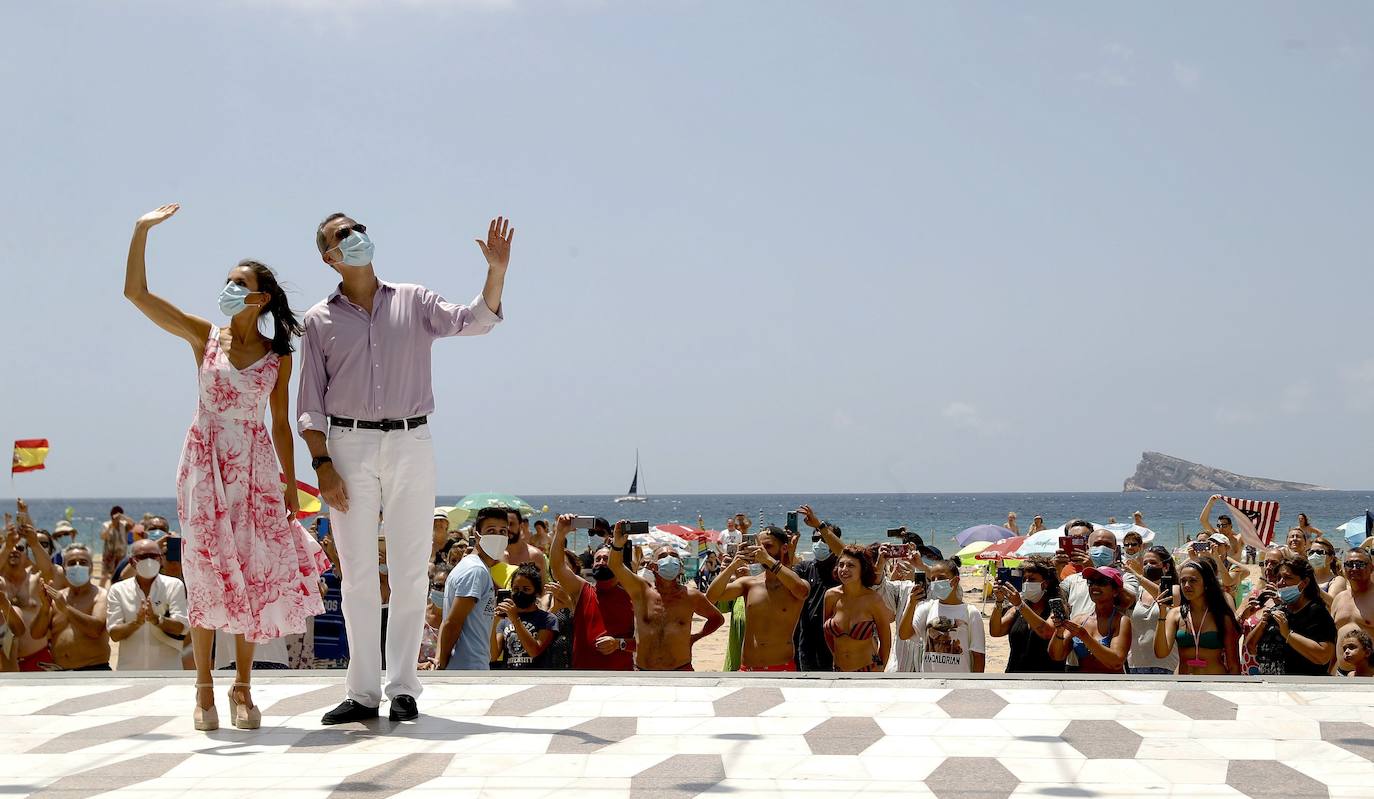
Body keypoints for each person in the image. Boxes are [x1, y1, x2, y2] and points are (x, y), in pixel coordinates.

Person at [298, 213, 511, 724]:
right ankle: (362, 691)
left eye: (357, 228)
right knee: (357, 575)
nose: (354, 237)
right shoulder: (318, 319)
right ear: (328, 256)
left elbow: (475, 320)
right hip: (346, 446)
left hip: (413, 441)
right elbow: (308, 405)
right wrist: (322, 464)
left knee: (412, 570)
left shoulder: (414, 300)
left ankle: (402, 687)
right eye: (340, 235)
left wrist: (497, 271)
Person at [124, 203, 325, 730]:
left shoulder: (279, 356)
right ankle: (204, 688)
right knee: (206, 571)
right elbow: (137, 295)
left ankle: (242, 688)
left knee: (251, 573)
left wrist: (288, 484)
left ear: (260, 297)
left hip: (255, 470)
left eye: (240, 283)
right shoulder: (204, 337)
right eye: (227, 280)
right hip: (202, 464)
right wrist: (141, 232)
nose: (229, 288)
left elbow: (281, 425)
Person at [609, 521, 724, 670]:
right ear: (653, 565)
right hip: (643, 671)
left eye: (674, 556)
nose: (669, 559)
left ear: (680, 566)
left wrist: (695, 637)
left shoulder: (691, 596)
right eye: (663, 556)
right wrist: (617, 544)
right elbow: (615, 566)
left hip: (681, 669)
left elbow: (717, 619)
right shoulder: (641, 590)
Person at [705, 526, 808, 671]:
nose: (762, 550)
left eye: (768, 546)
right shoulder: (749, 583)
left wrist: (768, 559)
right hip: (748, 668)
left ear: (784, 548)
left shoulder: (795, 584)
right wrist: (732, 566)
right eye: (760, 546)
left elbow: (802, 591)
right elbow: (711, 597)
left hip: (781, 667)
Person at [548, 516, 635, 670]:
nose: (601, 562)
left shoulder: (633, 596)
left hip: (621, 677)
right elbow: (558, 568)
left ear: (616, 562)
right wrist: (560, 533)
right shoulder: (583, 590)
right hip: (584, 676)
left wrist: (619, 644)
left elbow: (648, 643)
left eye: (606, 559)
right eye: (598, 559)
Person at [438, 508, 507, 670]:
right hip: (468, 667)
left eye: (502, 531)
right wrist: (441, 664)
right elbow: (452, 622)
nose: (498, 536)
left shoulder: (476, 567)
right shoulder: (475, 571)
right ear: (477, 535)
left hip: (470, 665)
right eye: (491, 531)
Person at [1246, 555, 1338, 676]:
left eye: (1287, 578)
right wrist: (1262, 623)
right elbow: (1251, 648)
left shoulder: (1317, 613)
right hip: (1270, 687)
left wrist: (1288, 634)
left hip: (1302, 688)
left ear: (1304, 583)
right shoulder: (1277, 611)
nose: (1281, 583)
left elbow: (1324, 656)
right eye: (1278, 578)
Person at [107, 539, 189, 671]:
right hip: (129, 672)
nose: (149, 561)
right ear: (131, 562)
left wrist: (157, 620)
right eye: (143, 557)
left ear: (161, 560)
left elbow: (180, 627)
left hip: (168, 671)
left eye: (153, 556)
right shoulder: (118, 590)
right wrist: (136, 623)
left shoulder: (174, 585)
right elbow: (114, 634)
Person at [1152, 559, 1239, 675]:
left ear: (1206, 583)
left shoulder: (1222, 617)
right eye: (1183, 581)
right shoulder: (1175, 615)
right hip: (1183, 684)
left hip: (1215, 684)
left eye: (1193, 581)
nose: (1187, 585)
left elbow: (1233, 664)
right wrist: (1162, 614)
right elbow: (1161, 653)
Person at [901, 558, 982, 673]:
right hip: (930, 684)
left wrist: (973, 687)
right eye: (933, 579)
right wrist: (911, 603)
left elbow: (978, 655)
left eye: (941, 578)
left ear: (955, 581)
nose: (936, 582)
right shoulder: (926, 608)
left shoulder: (971, 613)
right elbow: (904, 635)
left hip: (960, 683)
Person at [823, 545, 892, 672]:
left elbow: (886, 640)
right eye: (841, 564)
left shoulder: (873, 600)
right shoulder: (830, 596)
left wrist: (881, 667)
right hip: (839, 671)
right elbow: (827, 634)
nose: (844, 569)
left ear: (862, 569)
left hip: (868, 670)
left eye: (851, 565)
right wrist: (835, 656)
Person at [1050, 566, 1131, 673]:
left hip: (1112, 685)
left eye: (1102, 582)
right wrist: (1059, 632)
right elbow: (1057, 656)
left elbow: (1115, 662)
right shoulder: (1079, 620)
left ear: (1115, 591)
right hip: (1084, 684)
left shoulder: (1121, 621)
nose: (1094, 586)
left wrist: (1084, 636)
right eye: (1091, 582)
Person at [792, 505, 845, 672]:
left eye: (823, 538)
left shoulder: (843, 570)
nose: (819, 543)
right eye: (815, 539)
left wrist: (820, 526)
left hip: (835, 642)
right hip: (806, 641)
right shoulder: (804, 568)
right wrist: (789, 549)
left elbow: (845, 553)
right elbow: (787, 580)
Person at [989, 557, 1060, 674]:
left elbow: (1047, 632)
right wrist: (999, 602)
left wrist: (1020, 604)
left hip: (1046, 679)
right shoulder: (1015, 610)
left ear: (1045, 583)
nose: (1026, 583)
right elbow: (996, 631)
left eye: (1032, 579)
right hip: (1015, 677)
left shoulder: (1055, 606)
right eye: (1024, 580)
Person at [46, 544, 111, 671]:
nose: (77, 566)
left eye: (83, 562)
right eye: (71, 563)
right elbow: (38, 633)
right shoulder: (58, 597)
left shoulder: (101, 595)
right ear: (64, 569)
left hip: (93, 670)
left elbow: (95, 629)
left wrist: (66, 608)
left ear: (91, 567)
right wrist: (44, 607)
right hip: (60, 671)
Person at [1059, 521, 1138, 616]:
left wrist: (1094, 573)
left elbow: (1126, 602)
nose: (1102, 548)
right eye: (1097, 544)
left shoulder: (1127, 578)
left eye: (1108, 545)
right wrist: (1056, 569)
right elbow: (1056, 601)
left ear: (1116, 550)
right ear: (1088, 548)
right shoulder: (1073, 580)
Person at [1125, 546, 1181, 675]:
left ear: (1166, 567)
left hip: (1167, 664)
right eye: (1145, 563)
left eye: (1153, 563)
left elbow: (1165, 598)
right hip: (1136, 663)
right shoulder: (1136, 593)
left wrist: (1137, 576)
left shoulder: (1175, 590)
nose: (1148, 566)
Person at [491, 563, 559, 669]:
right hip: (510, 678)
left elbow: (534, 651)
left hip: (535, 679)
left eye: (526, 589)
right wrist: (494, 622)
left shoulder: (547, 619)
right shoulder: (504, 620)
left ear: (536, 592)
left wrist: (516, 620)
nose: (520, 593)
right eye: (516, 589)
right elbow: (493, 656)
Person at [878, 555, 928, 673]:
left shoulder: (936, 589)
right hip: (901, 665)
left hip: (927, 668)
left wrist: (921, 569)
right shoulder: (901, 589)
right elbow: (880, 597)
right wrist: (881, 566)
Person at [1331, 548, 1374, 647]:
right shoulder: (1339, 599)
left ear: (1371, 568)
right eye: (1349, 564)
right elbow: (1334, 638)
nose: (1354, 568)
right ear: (1343, 568)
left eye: (1360, 564)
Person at [1307, 538, 1346, 607]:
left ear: (1331, 558)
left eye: (1320, 552)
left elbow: (1334, 604)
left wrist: (1312, 585)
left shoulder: (1337, 580)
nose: (1315, 555)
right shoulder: (1305, 577)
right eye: (1311, 552)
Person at [99, 507, 131, 588]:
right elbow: (103, 536)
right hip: (108, 555)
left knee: (116, 577)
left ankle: (113, 592)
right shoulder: (106, 525)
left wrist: (123, 517)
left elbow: (133, 524)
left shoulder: (123, 525)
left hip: (121, 555)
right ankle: (100, 591)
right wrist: (110, 527)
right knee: (104, 576)